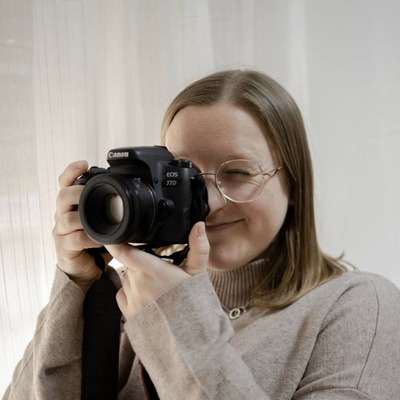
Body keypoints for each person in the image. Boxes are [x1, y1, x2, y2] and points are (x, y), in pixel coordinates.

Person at [4, 69, 400, 400]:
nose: (208, 202)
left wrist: (178, 318)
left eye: (238, 172)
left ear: (294, 183)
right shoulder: (132, 297)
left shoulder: (357, 306)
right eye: (185, 176)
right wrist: (77, 286)